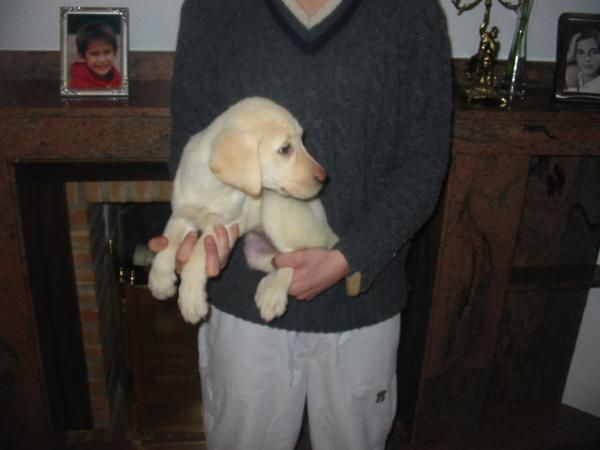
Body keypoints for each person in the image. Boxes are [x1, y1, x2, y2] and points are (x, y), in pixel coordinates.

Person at [149, 0, 452, 448]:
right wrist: (205, 231)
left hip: (361, 301)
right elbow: (195, 137)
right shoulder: (211, 8)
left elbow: (424, 160)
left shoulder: (411, 12)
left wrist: (352, 256)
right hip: (243, 300)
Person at [68, 20, 122, 89]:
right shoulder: (76, 84)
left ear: (115, 51)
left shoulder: (118, 77)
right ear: (82, 55)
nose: (102, 60)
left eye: (107, 52)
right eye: (94, 54)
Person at [565, 29, 600, 94]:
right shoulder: (576, 73)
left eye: (594, 52)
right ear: (574, 55)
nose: (587, 58)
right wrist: (569, 57)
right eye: (581, 52)